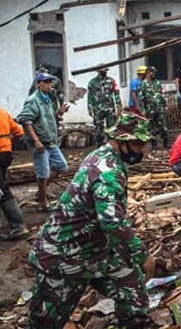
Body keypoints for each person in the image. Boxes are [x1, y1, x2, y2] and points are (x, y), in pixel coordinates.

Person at [27, 113, 155, 329]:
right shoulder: (107, 171)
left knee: (132, 289)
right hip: (65, 254)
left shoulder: (106, 156)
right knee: (46, 321)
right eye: (137, 143)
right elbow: (112, 222)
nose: (142, 149)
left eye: (144, 144)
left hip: (96, 248)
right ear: (120, 142)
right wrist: (143, 255)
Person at [17, 72, 69, 211]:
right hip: (40, 143)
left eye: (49, 82)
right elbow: (25, 120)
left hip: (51, 141)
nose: (48, 85)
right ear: (38, 84)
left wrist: (60, 112)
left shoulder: (47, 99)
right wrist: (36, 140)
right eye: (45, 82)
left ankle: (41, 193)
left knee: (61, 166)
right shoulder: (33, 100)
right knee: (43, 173)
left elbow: (48, 116)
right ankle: (43, 203)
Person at [0, 106, 28, 240]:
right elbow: (18, 131)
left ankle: (18, 227)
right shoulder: (3, 112)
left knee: (2, 190)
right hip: (6, 153)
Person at [88, 67, 122, 145]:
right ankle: (99, 145)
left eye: (105, 71)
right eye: (102, 71)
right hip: (98, 108)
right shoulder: (92, 82)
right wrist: (90, 108)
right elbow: (90, 96)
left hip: (110, 108)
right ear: (98, 72)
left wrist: (118, 105)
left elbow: (116, 93)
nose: (104, 72)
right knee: (98, 127)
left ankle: (112, 144)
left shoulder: (111, 81)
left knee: (111, 127)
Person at [138, 66, 168, 147]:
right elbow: (140, 98)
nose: (154, 74)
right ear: (148, 73)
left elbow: (162, 94)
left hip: (159, 108)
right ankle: (153, 143)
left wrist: (165, 105)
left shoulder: (157, 83)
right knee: (151, 126)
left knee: (163, 125)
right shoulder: (143, 84)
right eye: (152, 72)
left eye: (154, 72)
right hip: (149, 108)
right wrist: (142, 110)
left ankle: (165, 142)